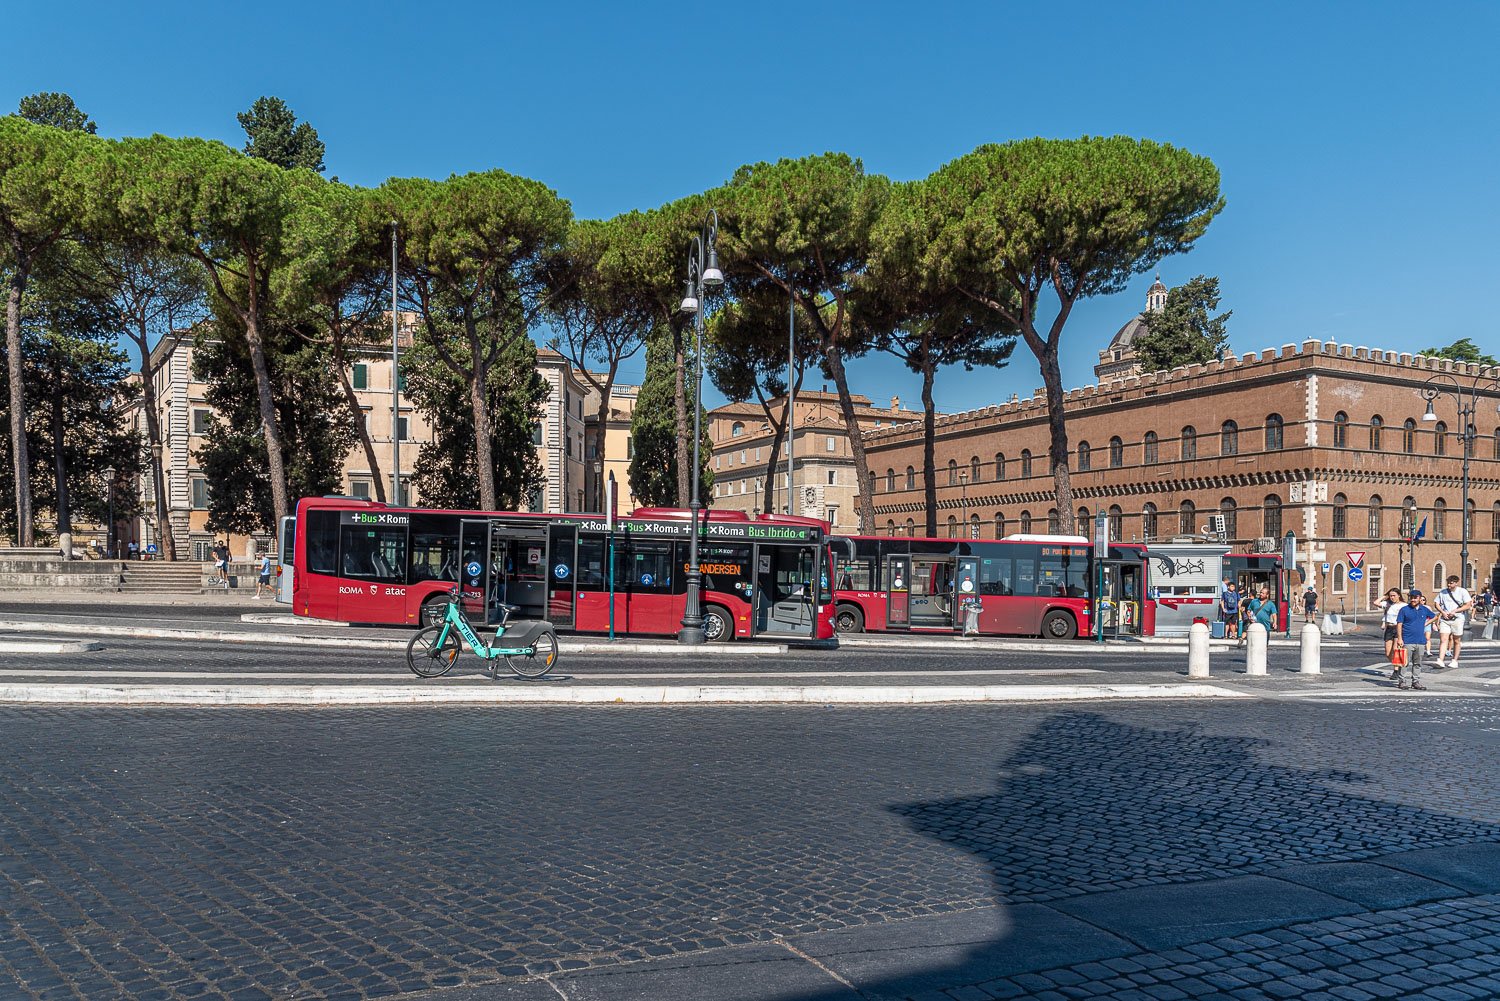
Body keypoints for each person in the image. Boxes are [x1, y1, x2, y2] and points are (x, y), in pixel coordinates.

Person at [1395, 588, 1437, 691]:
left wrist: (1426, 623)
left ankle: (1415, 681)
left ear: (1419, 598)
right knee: (1404, 662)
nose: (1413, 600)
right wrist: (1400, 638)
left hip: (1420, 641)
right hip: (1407, 640)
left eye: (1415, 598)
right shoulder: (1404, 610)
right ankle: (1402, 680)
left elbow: (1435, 616)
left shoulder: (1424, 609)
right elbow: (1399, 624)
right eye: (1411, 598)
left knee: (1417, 663)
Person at [1434, 574, 1473, 670]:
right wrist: (1442, 612)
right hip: (1445, 619)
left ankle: (1454, 660)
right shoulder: (1443, 592)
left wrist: (1455, 611)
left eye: (1451, 583)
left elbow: (1468, 605)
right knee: (1443, 639)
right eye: (1448, 583)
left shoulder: (1462, 592)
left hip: (1458, 618)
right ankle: (1440, 660)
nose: (1449, 585)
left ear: (1456, 583)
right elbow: (1436, 603)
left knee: (1456, 640)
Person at [1380, 588, 1404, 680]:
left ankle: (1396, 670)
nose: (1392, 597)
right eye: (1390, 596)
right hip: (1389, 628)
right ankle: (1397, 665)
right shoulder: (1388, 604)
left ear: (1399, 595)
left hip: (1398, 628)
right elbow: (1376, 603)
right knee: (1388, 652)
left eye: (1394, 595)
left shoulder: (1403, 605)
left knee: (1396, 650)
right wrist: (1385, 596)